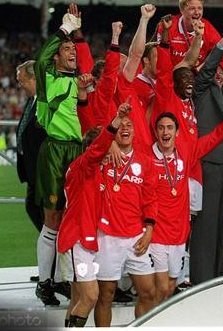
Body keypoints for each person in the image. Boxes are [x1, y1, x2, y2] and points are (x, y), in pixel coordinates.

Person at [150, 99, 223, 302]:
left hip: (178, 235)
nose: (165, 132)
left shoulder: (186, 153)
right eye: (161, 128)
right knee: (159, 289)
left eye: (170, 128)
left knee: (169, 288)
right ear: (156, 132)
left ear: (177, 132)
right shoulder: (147, 158)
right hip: (156, 235)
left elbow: (214, 138)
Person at [56, 100, 131, 327]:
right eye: (107, 149)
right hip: (76, 240)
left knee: (77, 298)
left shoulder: (96, 171)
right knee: (90, 296)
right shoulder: (84, 166)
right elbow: (98, 148)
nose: (110, 154)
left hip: (85, 241)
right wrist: (116, 121)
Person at [34, 4, 83, 305]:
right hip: (54, 151)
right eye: (66, 49)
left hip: (77, 151)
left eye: (73, 48)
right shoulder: (48, 79)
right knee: (52, 219)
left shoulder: (80, 82)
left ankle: (63, 279)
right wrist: (65, 29)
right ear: (56, 56)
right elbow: (41, 59)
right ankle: (44, 283)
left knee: (71, 218)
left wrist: (77, 32)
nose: (72, 51)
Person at [93, 110, 158, 327]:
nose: (125, 129)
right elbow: (91, 136)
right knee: (106, 294)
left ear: (135, 131)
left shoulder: (146, 162)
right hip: (107, 236)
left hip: (136, 236)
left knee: (148, 293)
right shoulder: (103, 157)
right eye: (120, 125)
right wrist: (107, 144)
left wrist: (149, 231)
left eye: (129, 125)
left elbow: (150, 200)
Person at [190, 21, 223, 284]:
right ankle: (201, 280)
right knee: (206, 225)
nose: (219, 74)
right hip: (209, 162)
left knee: (220, 223)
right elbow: (209, 68)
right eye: (215, 71)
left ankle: (217, 278)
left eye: (222, 71)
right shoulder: (200, 90)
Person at [15, 60, 46, 234]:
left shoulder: (46, 100)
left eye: (22, 81)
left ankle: (54, 246)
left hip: (42, 171)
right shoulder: (32, 100)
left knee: (42, 213)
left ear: (34, 79)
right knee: (33, 208)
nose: (21, 86)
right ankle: (50, 244)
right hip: (32, 170)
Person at [156, 0, 223, 69]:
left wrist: (206, 69)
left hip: (199, 74)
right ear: (182, 10)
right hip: (171, 73)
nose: (197, 12)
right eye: (192, 8)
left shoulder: (208, 28)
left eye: (199, 8)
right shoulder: (168, 25)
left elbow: (220, 55)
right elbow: (160, 58)